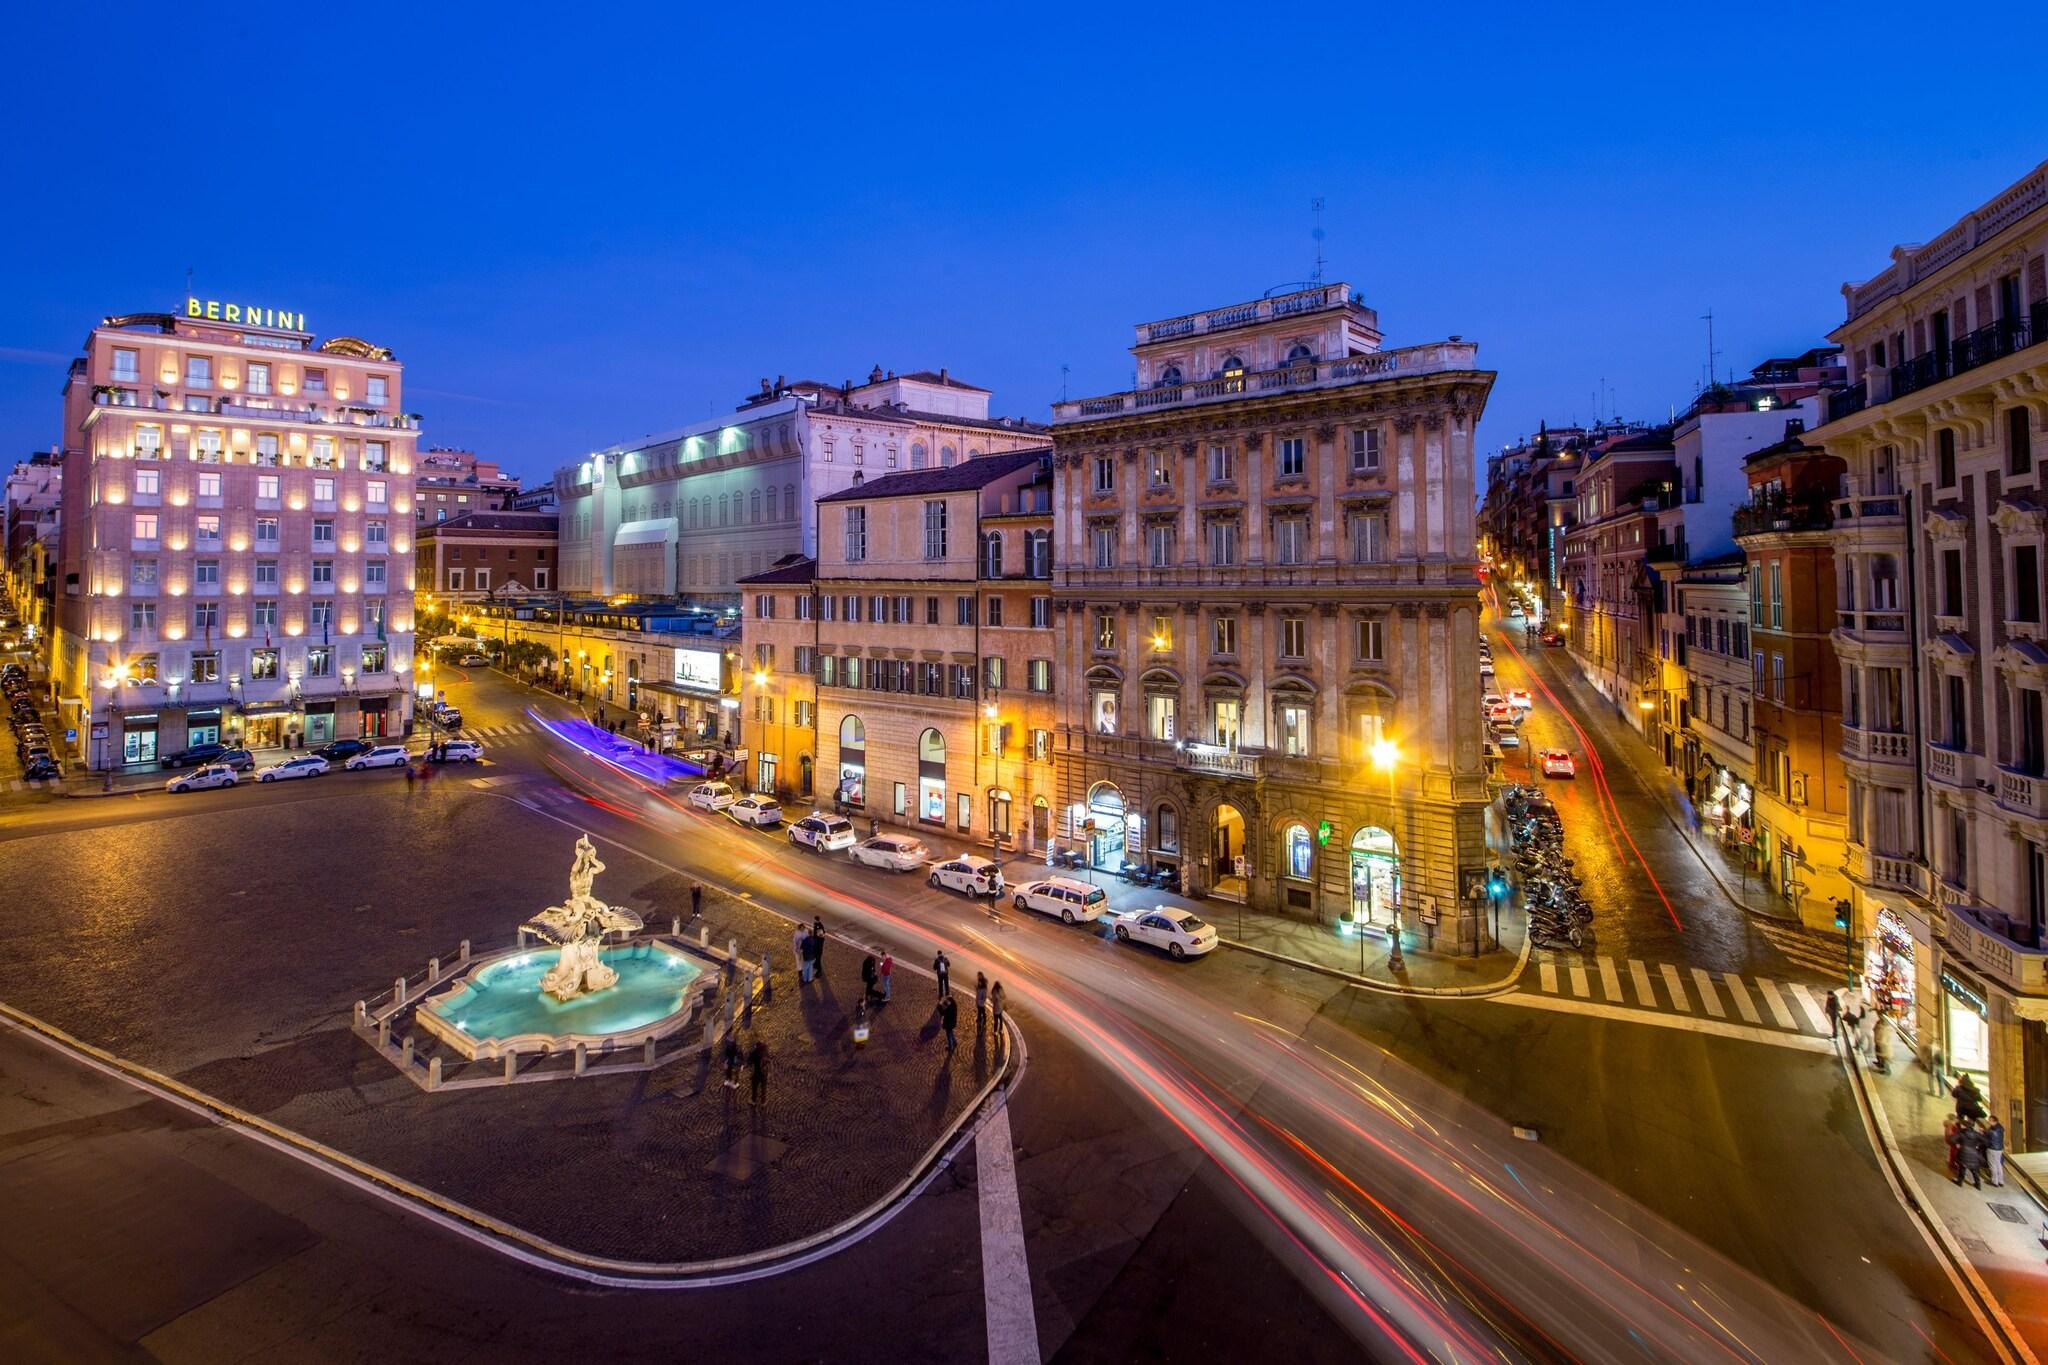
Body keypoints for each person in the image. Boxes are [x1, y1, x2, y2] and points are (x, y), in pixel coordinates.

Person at [1956, 1120, 1987, 1189]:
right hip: (1974, 1153)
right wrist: (1977, 1145)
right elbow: (1985, 1141)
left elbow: (1952, 1139)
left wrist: (1959, 1144)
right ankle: (1978, 1185)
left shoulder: (1961, 1133)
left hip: (1964, 1153)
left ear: (1965, 1126)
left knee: (1962, 1168)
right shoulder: (1976, 1134)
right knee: (1974, 1170)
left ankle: (1960, 1182)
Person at [1987, 1118, 2007, 1188]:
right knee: (1998, 1164)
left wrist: (1983, 1132)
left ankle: (1994, 1181)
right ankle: (2001, 1181)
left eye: (1990, 1120)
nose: (1988, 1121)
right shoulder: (2000, 1128)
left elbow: (1988, 1137)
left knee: (1992, 1165)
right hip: (2000, 1148)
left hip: (1992, 1148)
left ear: (1994, 1121)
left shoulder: (1992, 1130)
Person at [748, 1038, 768, 1106]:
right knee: (763, 1087)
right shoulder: (765, 1050)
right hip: (764, 1073)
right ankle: (763, 1101)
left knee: (755, 1088)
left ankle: (753, 1101)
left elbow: (750, 1060)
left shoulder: (755, 1053)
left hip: (757, 1073)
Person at [1944, 1116, 1962, 1183]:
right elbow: (1952, 1135)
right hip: (1953, 1141)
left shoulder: (1949, 1125)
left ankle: (1952, 1162)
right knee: (1955, 1153)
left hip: (1951, 1141)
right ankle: (1953, 1163)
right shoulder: (1951, 1126)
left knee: (1952, 1151)